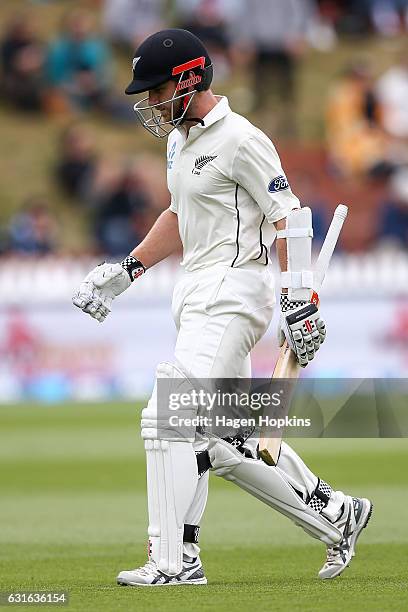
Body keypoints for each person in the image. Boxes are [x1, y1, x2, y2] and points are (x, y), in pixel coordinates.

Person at [72, 29, 373, 586]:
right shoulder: (177, 141)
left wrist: (298, 298)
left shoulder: (241, 138)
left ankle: (172, 561)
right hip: (195, 294)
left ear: (189, 79)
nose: (151, 103)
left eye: (157, 90)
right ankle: (338, 514)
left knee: (168, 415)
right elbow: (179, 214)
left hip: (233, 294)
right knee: (224, 441)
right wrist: (127, 270)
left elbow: (288, 215)